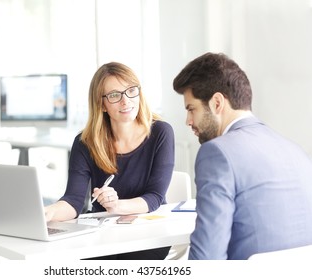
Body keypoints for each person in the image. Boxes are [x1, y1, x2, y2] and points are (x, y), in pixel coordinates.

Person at [173, 52, 312, 260]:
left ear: (217, 103)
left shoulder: (217, 153)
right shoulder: (296, 151)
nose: (188, 121)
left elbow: (208, 259)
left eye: (191, 109)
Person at [45, 62, 175, 259]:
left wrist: (117, 206)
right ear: (101, 104)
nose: (126, 101)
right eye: (114, 95)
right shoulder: (85, 143)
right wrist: (48, 212)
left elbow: (155, 197)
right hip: (101, 233)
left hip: (146, 232)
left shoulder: (160, 132)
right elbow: (73, 201)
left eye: (131, 91)